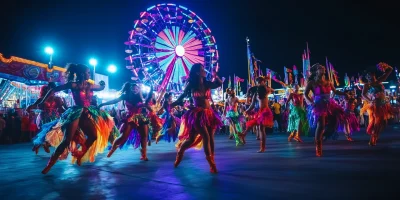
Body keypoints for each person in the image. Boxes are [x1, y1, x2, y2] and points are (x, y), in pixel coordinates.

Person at [38, 63, 117, 174]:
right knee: (66, 141)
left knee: (93, 136)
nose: (90, 74)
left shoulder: (91, 85)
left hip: (87, 113)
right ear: (81, 73)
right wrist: (42, 101)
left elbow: (101, 87)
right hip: (76, 112)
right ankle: (50, 164)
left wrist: (102, 84)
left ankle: (80, 154)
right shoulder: (73, 85)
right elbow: (53, 90)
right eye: (88, 72)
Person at [171, 63, 223, 173]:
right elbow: (182, 96)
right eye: (202, 69)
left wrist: (215, 74)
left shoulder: (206, 83)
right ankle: (209, 163)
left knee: (205, 138)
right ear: (198, 72)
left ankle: (212, 161)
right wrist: (172, 104)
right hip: (198, 115)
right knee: (205, 136)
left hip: (209, 114)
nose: (205, 70)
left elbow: (218, 84)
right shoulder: (191, 84)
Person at [99, 82, 153, 161]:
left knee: (144, 136)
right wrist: (103, 103)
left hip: (140, 118)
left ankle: (144, 155)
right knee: (123, 137)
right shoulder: (125, 96)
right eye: (133, 88)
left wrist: (151, 89)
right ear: (130, 89)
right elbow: (114, 100)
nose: (135, 90)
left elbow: (148, 100)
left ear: (139, 90)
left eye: (137, 88)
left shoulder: (140, 97)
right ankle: (112, 150)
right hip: (130, 118)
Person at [304, 63, 348, 157]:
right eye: (320, 68)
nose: (323, 69)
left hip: (329, 104)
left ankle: (324, 135)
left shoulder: (328, 82)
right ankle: (318, 146)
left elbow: (335, 91)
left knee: (337, 120)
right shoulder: (312, 83)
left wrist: (344, 93)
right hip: (318, 105)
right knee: (321, 125)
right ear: (316, 71)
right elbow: (305, 94)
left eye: (323, 68)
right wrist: (311, 102)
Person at [27, 82, 66, 154]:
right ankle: (43, 144)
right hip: (45, 118)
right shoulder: (43, 99)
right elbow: (33, 107)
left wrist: (68, 110)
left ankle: (40, 145)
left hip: (53, 118)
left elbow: (61, 109)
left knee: (53, 133)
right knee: (48, 133)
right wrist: (31, 112)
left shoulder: (58, 99)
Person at [361, 62, 393, 146]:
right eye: (367, 76)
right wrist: (370, 100)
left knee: (383, 122)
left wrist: (385, 66)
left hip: (384, 105)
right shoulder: (367, 85)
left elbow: (390, 70)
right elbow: (363, 94)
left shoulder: (380, 80)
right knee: (377, 121)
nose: (368, 77)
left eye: (370, 75)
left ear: (373, 75)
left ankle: (376, 135)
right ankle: (373, 138)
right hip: (375, 106)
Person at [240, 76, 274, 152]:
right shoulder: (256, 93)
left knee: (261, 129)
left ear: (263, 82)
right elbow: (252, 105)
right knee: (253, 124)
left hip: (265, 111)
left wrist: (265, 81)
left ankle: (262, 147)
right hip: (259, 111)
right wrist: (246, 111)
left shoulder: (266, 90)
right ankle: (244, 134)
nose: (258, 83)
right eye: (257, 82)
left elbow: (273, 90)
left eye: (260, 82)